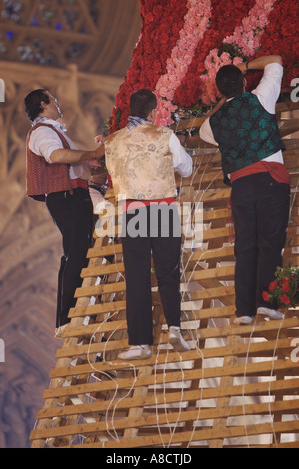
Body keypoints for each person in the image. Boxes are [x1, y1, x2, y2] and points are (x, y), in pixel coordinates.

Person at [200, 55, 290, 325]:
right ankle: (266, 302)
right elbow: (275, 60)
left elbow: (207, 126)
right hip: (270, 179)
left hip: (240, 186)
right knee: (271, 242)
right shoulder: (261, 97)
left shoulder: (212, 124)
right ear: (243, 82)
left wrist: (222, 100)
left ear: (219, 91)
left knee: (245, 246)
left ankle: (244, 311)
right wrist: (245, 66)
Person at [104, 89, 193, 360]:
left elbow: (114, 172)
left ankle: (140, 343)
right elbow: (186, 168)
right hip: (163, 208)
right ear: (153, 112)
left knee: (137, 276)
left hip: (132, 212)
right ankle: (175, 327)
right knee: (168, 271)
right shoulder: (165, 135)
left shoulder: (112, 141)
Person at [24, 89, 105, 337]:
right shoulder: (43, 132)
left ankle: (73, 313)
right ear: (43, 104)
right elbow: (56, 156)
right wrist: (92, 154)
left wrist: (92, 163)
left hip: (76, 194)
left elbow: (73, 164)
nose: (59, 104)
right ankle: (67, 316)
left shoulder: (54, 131)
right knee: (76, 251)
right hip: (66, 196)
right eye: (54, 100)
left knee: (78, 250)